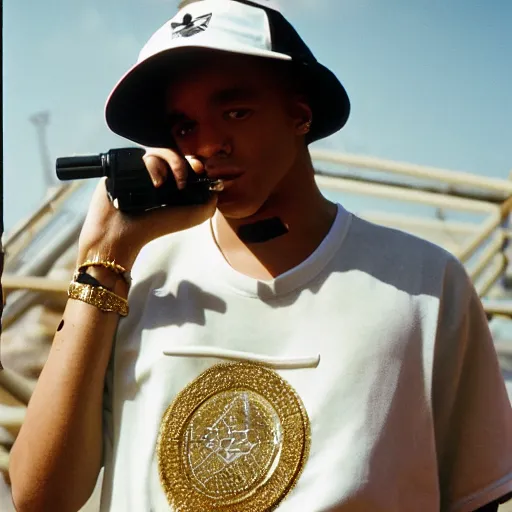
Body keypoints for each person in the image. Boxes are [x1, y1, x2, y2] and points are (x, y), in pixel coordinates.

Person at [9, 1, 512, 511]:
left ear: (300, 115)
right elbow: (39, 499)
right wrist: (102, 259)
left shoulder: (424, 284)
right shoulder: (136, 276)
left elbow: (477, 497)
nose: (208, 143)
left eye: (236, 112)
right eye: (183, 126)